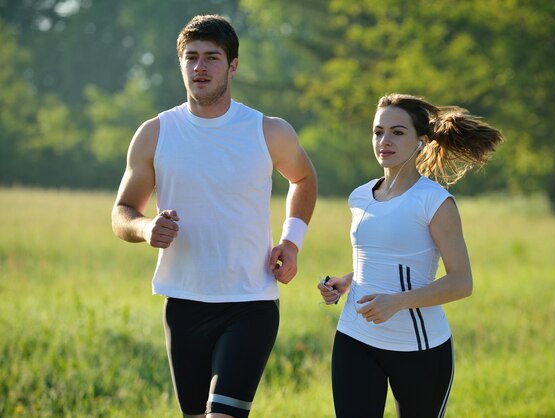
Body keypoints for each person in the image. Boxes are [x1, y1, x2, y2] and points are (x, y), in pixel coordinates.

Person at [111, 14, 317, 418]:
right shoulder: (155, 133)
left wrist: (291, 242)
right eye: (191, 57)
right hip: (183, 302)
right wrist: (146, 226)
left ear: (233, 65)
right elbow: (122, 212)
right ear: (181, 64)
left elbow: (304, 178)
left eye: (212, 57)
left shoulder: (267, 131)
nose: (200, 67)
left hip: (250, 301)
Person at [318, 93, 503, 418]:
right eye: (378, 131)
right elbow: (378, 259)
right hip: (355, 338)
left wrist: (396, 301)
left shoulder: (434, 202)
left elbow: (462, 282)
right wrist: (343, 283)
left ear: (421, 141)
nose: (384, 141)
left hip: (418, 348)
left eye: (397, 132)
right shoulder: (360, 196)